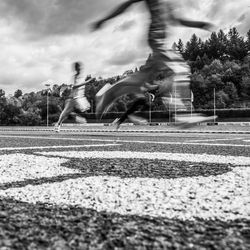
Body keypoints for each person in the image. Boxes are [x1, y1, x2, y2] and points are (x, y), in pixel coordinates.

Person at [91, 0, 217, 126]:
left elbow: (176, 19)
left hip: (159, 42)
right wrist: (105, 19)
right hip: (156, 40)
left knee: (140, 79)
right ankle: (181, 115)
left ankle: (107, 95)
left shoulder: (167, 3)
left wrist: (199, 24)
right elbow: (127, 4)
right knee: (180, 69)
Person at [54, 62, 93, 132]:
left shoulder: (82, 77)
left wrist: (88, 80)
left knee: (86, 108)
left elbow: (82, 85)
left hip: (80, 98)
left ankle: (70, 116)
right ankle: (59, 123)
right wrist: (87, 82)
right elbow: (74, 86)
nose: (80, 69)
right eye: (78, 68)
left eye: (80, 68)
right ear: (76, 69)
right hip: (73, 98)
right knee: (65, 113)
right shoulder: (75, 77)